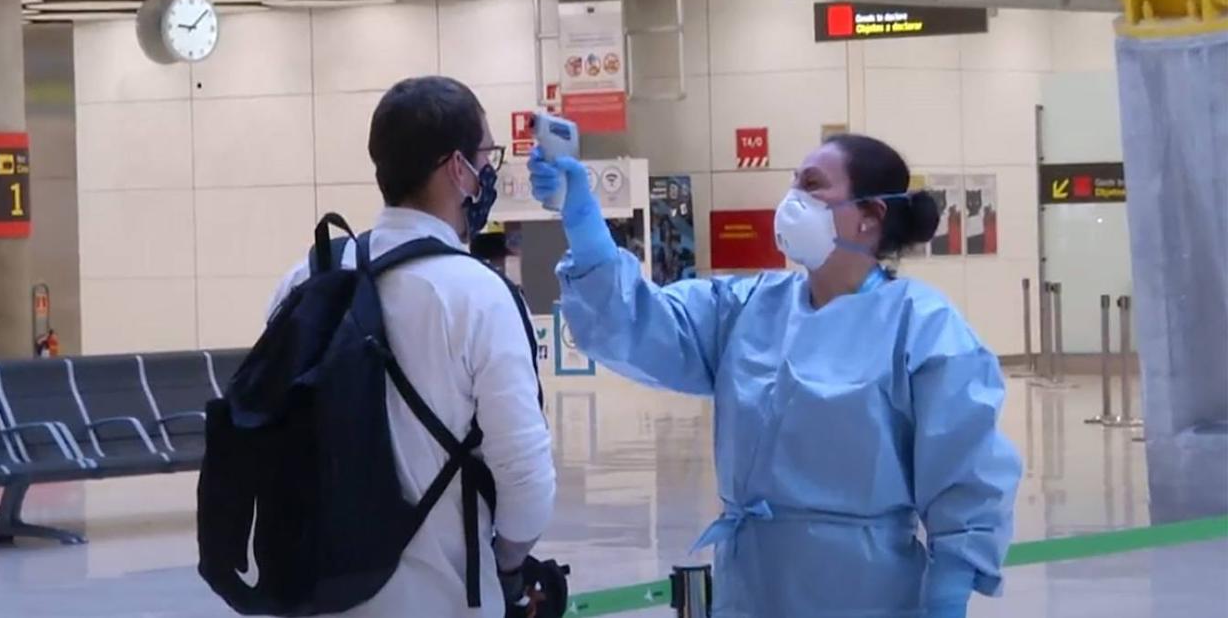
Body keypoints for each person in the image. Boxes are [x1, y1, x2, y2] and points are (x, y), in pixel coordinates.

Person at [528, 133, 1021, 618]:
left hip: (865, 591)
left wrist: (950, 587)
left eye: (812, 185)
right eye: (793, 184)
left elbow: (965, 465)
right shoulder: (747, 308)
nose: (792, 200)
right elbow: (635, 324)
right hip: (750, 584)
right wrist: (587, 229)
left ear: (871, 215)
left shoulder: (923, 326)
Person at [269, 76, 556, 617]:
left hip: (313, 594)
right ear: (456, 168)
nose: (487, 173)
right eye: (485, 156)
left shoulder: (304, 281)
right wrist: (510, 568)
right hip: (439, 601)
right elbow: (526, 480)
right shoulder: (481, 297)